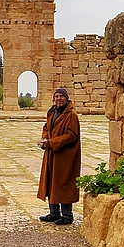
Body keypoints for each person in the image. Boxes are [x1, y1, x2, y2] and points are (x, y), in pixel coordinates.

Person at [37, 86, 81, 224]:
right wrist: (45, 139)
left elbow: (70, 136)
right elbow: (47, 127)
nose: (59, 99)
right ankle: (54, 213)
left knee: (64, 182)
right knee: (51, 181)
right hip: (52, 153)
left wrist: (52, 142)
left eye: (61, 96)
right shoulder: (52, 112)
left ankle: (67, 216)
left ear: (66, 98)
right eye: (56, 96)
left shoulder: (71, 115)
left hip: (65, 155)